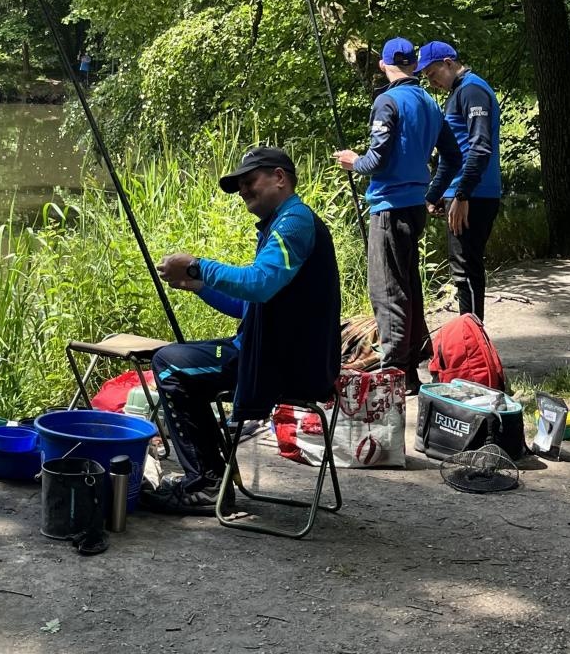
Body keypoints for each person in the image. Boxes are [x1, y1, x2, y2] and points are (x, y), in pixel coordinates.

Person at [143, 145, 341, 516]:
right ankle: (212, 477)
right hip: (279, 355)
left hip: (289, 365)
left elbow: (259, 283)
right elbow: (250, 303)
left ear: (279, 178)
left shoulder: (294, 222)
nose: (245, 191)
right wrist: (199, 286)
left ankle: (207, 484)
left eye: (250, 181)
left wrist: (200, 266)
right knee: (181, 364)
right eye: (241, 187)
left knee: (170, 364)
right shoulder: (282, 223)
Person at [336, 37, 461, 394]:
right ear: (413, 65)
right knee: (408, 286)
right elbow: (452, 158)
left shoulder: (387, 101)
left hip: (389, 208)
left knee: (388, 290)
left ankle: (394, 375)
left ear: (383, 65)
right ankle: (410, 368)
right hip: (413, 207)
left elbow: (376, 160)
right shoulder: (430, 103)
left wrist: (352, 162)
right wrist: (432, 194)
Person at [417, 41, 501, 321]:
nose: (432, 82)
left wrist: (463, 194)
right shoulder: (458, 92)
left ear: (449, 62)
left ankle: (474, 346)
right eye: (427, 77)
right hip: (463, 193)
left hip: (474, 195)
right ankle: (472, 341)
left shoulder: (472, 90)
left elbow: (479, 147)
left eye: (432, 73)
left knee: (467, 271)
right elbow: (451, 155)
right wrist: (434, 194)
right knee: (462, 269)